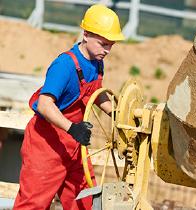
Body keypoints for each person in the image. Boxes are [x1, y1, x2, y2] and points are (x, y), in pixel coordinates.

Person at [13, 4, 124, 209]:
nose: (107, 50)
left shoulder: (96, 62)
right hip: (46, 145)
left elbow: (93, 93)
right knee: (34, 204)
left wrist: (117, 114)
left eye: (111, 45)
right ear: (86, 34)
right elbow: (45, 105)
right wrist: (73, 128)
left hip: (75, 148)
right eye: (103, 44)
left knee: (85, 202)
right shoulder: (64, 65)